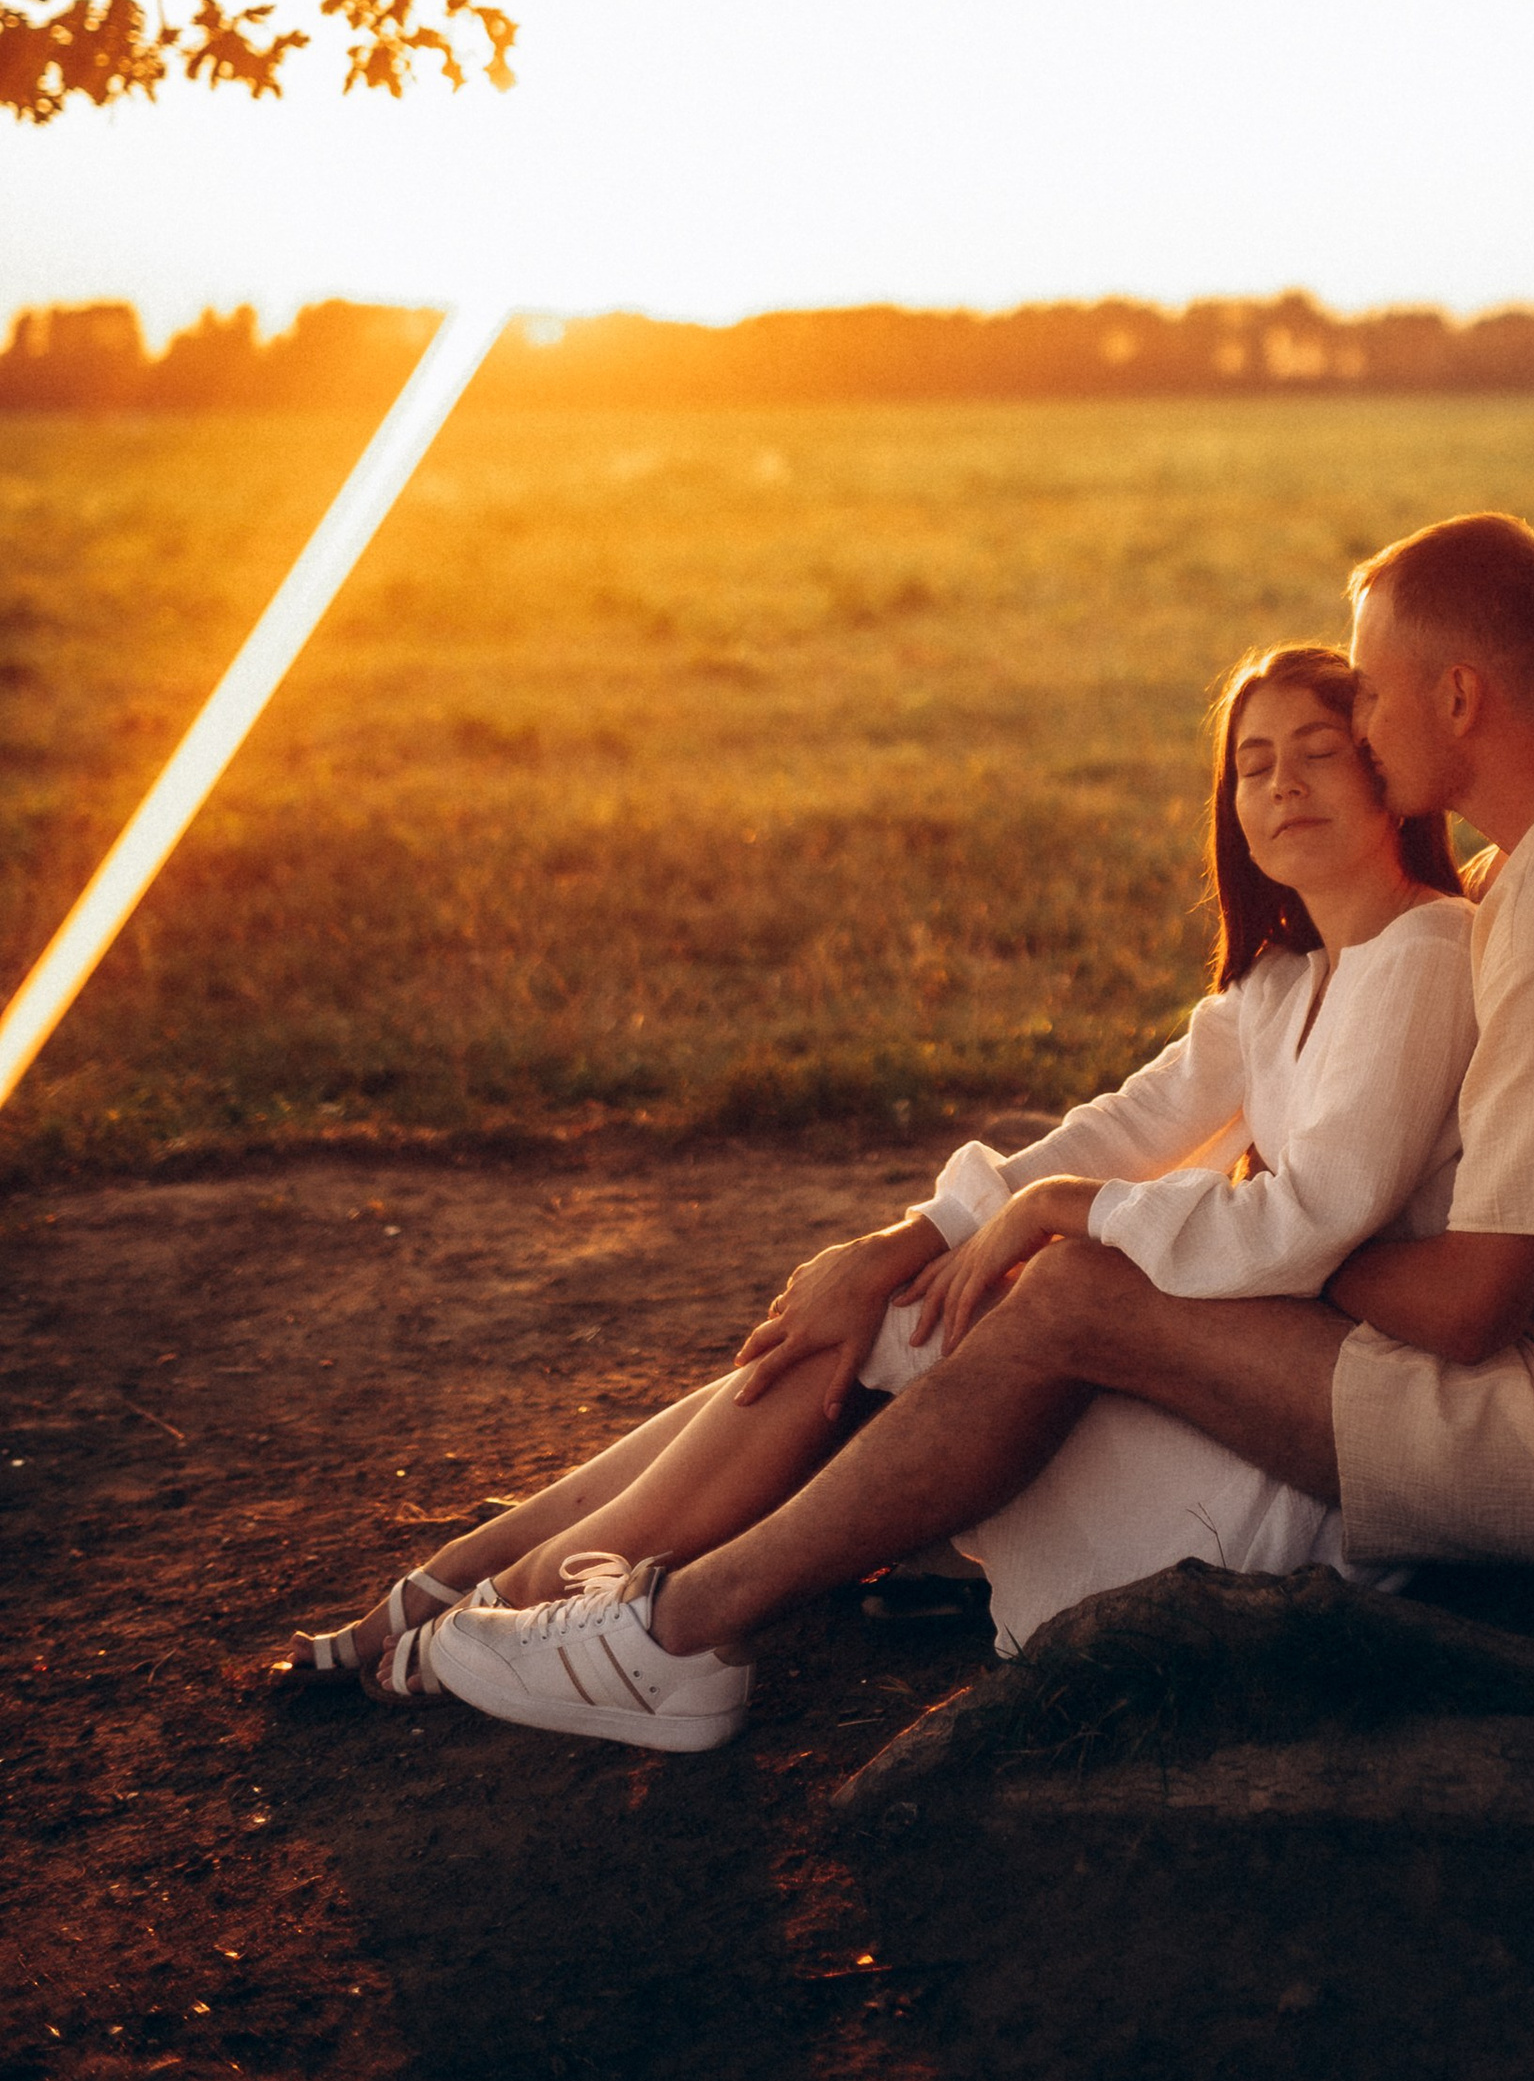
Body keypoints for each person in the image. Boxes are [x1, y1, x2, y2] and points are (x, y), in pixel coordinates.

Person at [371, 509, 1534, 1756]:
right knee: (1042, 1279)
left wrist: (1198, 1222)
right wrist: (958, 1229)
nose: (1362, 741)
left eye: (1373, 707)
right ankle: (550, 1576)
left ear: (1458, 699)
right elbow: (1178, 1128)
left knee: (1081, 1285)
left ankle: (673, 1630)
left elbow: (1461, 1308)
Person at [291, 643, 1474, 1727]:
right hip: (1225, 1375)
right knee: (876, 1312)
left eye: (1319, 752)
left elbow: (1308, 1224)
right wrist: (908, 1237)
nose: (1281, 785)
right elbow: (1120, 1126)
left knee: (932, 1319)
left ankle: (505, 1610)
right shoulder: (1282, 983)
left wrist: (1057, 1214)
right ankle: (473, 1585)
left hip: (1280, 1453)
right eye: (1252, 764)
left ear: (1385, 776)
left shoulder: (1424, 957)